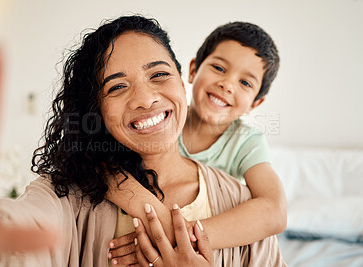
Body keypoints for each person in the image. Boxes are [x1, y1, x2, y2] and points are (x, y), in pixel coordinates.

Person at [0, 14, 285, 266]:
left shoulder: (242, 205)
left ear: (179, 81)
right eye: (116, 86)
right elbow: (21, 225)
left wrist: (184, 238)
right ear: (96, 109)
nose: (145, 99)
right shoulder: (67, 197)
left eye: (158, 74)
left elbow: (274, 211)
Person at [106, 21, 287, 264]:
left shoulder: (247, 142)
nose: (228, 84)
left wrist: (181, 235)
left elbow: (274, 212)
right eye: (219, 68)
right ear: (192, 70)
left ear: (255, 103)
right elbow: (104, 170)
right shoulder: (160, 121)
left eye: (245, 83)